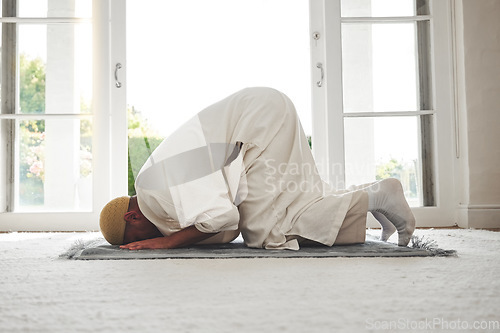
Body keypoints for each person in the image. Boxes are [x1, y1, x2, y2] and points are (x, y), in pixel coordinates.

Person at [99, 87, 415, 251]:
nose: (139, 245)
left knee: (270, 234)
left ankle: (379, 196)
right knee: (293, 207)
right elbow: (224, 222)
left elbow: (226, 218)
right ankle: (372, 197)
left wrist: (168, 242)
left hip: (258, 123)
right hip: (259, 116)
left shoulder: (157, 196)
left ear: (132, 217)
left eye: (133, 240)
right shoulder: (153, 189)